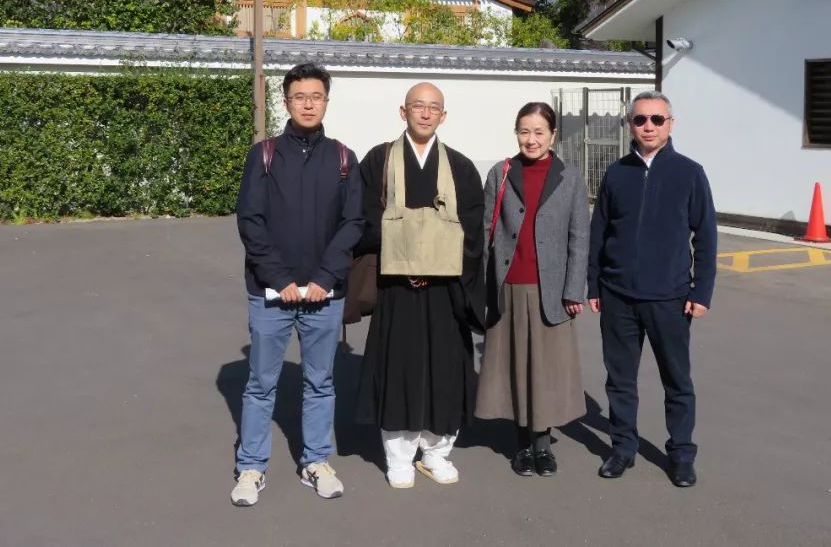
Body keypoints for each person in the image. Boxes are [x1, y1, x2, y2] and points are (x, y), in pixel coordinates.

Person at [230, 62, 364, 506]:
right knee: (260, 384)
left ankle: (316, 461)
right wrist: (280, 278)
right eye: (299, 97)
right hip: (271, 295)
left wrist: (326, 277)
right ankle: (251, 466)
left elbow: (353, 223)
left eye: (316, 96)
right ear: (285, 101)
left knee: (320, 382)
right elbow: (251, 220)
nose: (308, 104)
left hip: (324, 296)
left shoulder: (344, 158)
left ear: (327, 100)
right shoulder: (264, 155)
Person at [355, 81, 485, 489]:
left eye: (434, 108)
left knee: (446, 369)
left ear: (443, 116)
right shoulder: (379, 161)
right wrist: (406, 259)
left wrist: (436, 263)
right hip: (398, 287)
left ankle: (437, 451)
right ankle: (398, 455)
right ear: (403, 111)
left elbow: (473, 229)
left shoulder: (461, 168)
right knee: (399, 368)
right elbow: (364, 217)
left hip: (447, 289)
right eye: (418, 106)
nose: (425, 113)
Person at [587, 90, 716, 487]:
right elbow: (599, 233)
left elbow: (706, 237)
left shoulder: (689, 172)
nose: (648, 126)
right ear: (630, 124)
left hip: (670, 298)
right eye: (640, 119)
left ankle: (680, 454)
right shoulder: (616, 173)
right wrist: (594, 284)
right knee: (620, 379)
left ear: (670, 124)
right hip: (618, 295)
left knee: (676, 381)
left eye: (657, 120)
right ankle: (622, 448)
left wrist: (701, 292)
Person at [476, 102, 589, 477]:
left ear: (553, 135)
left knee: (546, 371)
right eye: (524, 131)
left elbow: (579, 236)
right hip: (509, 286)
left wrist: (574, 289)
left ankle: (543, 446)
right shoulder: (500, 173)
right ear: (516, 133)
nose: (531, 139)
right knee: (515, 367)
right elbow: (486, 232)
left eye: (539, 131)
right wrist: (482, 286)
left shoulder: (570, 176)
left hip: (551, 290)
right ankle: (522, 445)